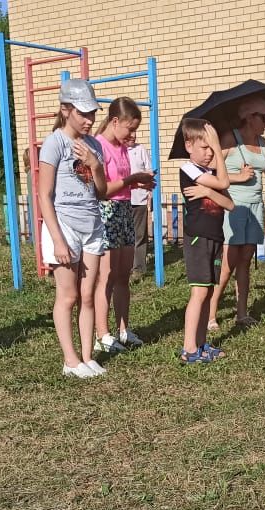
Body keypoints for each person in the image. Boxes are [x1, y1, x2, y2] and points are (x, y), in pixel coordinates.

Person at [37, 79, 109, 379]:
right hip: (64, 227)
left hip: (92, 226)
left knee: (88, 294)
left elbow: (102, 191)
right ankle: (70, 359)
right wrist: (57, 240)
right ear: (66, 110)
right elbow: (44, 194)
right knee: (68, 297)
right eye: (83, 113)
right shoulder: (55, 142)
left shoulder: (93, 145)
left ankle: (87, 357)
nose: (89, 120)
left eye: (92, 113)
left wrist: (95, 164)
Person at [209, 95, 265, 331]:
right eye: (264, 117)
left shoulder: (263, 143)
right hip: (233, 207)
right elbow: (212, 173)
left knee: (245, 261)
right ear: (249, 117)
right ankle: (211, 313)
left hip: (256, 207)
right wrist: (238, 177)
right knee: (227, 264)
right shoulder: (229, 140)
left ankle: (242, 313)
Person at [92, 97, 156, 356]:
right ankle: (101, 333)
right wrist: (132, 178)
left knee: (122, 275)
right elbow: (102, 189)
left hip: (125, 209)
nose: (132, 135)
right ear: (115, 121)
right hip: (106, 212)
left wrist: (137, 184)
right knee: (105, 276)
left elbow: (121, 183)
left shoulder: (121, 147)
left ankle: (122, 329)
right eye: (130, 129)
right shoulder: (99, 147)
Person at [178, 119, 234, 364]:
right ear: (189, 145)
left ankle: (201, 345)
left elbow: (230, 203)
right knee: (199, 293)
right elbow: (225, 183)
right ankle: (188, 348)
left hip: (215, 237)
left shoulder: (208, 176)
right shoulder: (188, 169)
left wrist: (210, 192)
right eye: (206, 147)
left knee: (208, 292)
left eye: (213, 148)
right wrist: (220, 151)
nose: (210, 153)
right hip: (198, 238)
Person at [126, 131, 152, 278]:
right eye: (130, 136)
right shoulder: (119, 150)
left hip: (139, 199)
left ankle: (139, 268)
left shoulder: (140, 149)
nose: (133, 138)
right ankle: (126, 265)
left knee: (140, 234)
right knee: (126, 235)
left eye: (135, 136)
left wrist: (150, 194)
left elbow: (149, 171)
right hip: (123, 199)